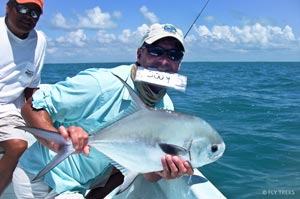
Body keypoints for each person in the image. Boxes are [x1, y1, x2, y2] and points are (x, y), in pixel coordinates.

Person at [13, 23, 193, 199]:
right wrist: (57, 143)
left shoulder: (166, 108)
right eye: (156, 51)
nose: (164, 61)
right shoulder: (101, 84)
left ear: (179, 63)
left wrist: (163, 171)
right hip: (41, 179)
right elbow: (31, 107)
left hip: (79, 187)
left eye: (174, 55)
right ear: (140, 54)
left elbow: (142, 172)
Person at [0, 0, 46, 196]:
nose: (29, 16)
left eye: (35, 13)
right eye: (24, 9)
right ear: (8, 8)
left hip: (7, 109)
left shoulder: (40, 40)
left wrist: (43, 125)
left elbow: (31, 89)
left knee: (19, 144)